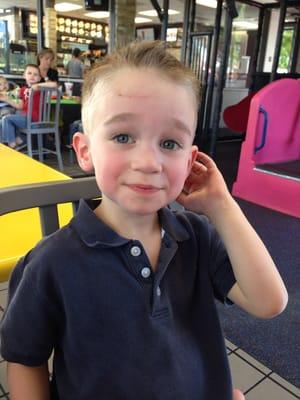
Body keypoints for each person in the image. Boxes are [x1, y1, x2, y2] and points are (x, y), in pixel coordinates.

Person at [0, 41, 287, 399]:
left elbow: (269, 302)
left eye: (170, 143)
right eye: (123, 136)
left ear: (190, 159)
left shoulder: (196, 237)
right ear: (85, 150)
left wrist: (222, 205)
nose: (149, 162)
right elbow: (26, 359)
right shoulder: (49, 264)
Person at [0, 64, 41, 149]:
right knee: (6, 119)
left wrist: (38, 86)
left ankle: (11, 145)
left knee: (6, 118)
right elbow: (20, 106)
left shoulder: (38, 88)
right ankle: (18, 140)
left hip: (33, 119)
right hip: (24, 118)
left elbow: (54, 84)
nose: (32, 76)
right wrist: (7, 99)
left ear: (39, 78)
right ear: (24, 76)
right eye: (29, 73)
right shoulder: (23, 90)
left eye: (35, 74)